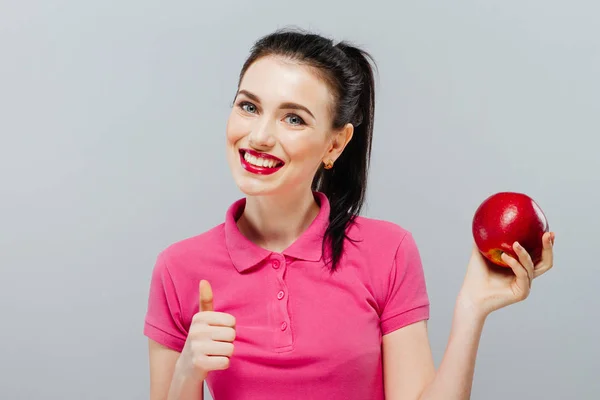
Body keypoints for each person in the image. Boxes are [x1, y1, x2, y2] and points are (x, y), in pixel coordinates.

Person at [143, 28, 555, 400]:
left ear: (335, 145)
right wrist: (186, 374)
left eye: (293, 118)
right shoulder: (178, 268)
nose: (260, 136)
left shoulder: (388, 251)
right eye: (249, 107)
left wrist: (471, 309)